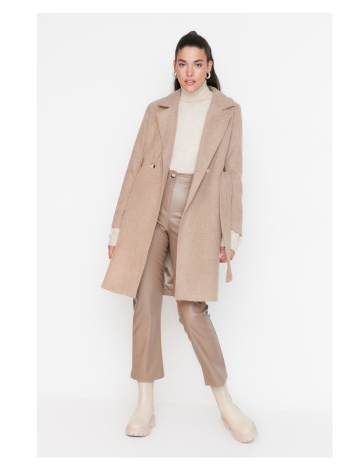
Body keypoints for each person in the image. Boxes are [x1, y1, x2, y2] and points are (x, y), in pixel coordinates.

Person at [102, 31, 257, 443]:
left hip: (199, 213)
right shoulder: (158, 109)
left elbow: (233, 175)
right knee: (145, 302)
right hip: (151, 210)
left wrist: (231, 232)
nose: (190, 72)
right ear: (174, 67)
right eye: (182, 64)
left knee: (192, 310)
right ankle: (145, 405)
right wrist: (118, 227)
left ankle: (226, 404)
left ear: (209, 67)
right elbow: (135, 167)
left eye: (197, 64)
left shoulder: (229, 111)